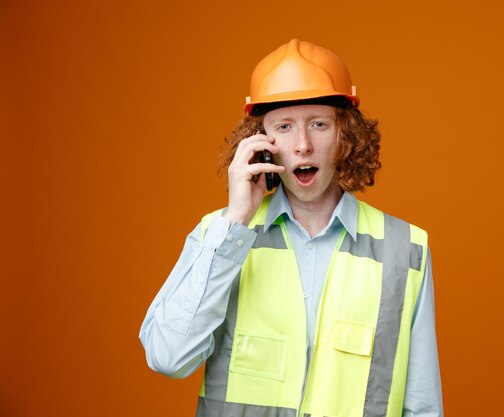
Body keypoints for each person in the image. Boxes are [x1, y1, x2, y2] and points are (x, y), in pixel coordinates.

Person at [140, 39, 443, 417]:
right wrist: (235, 222)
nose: (302, 145)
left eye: (319, 124)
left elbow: (423, 406)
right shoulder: (218, 236)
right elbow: (168, 356)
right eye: (284, 127)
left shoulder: (406, 249)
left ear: (344, 136)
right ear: (260, 143)